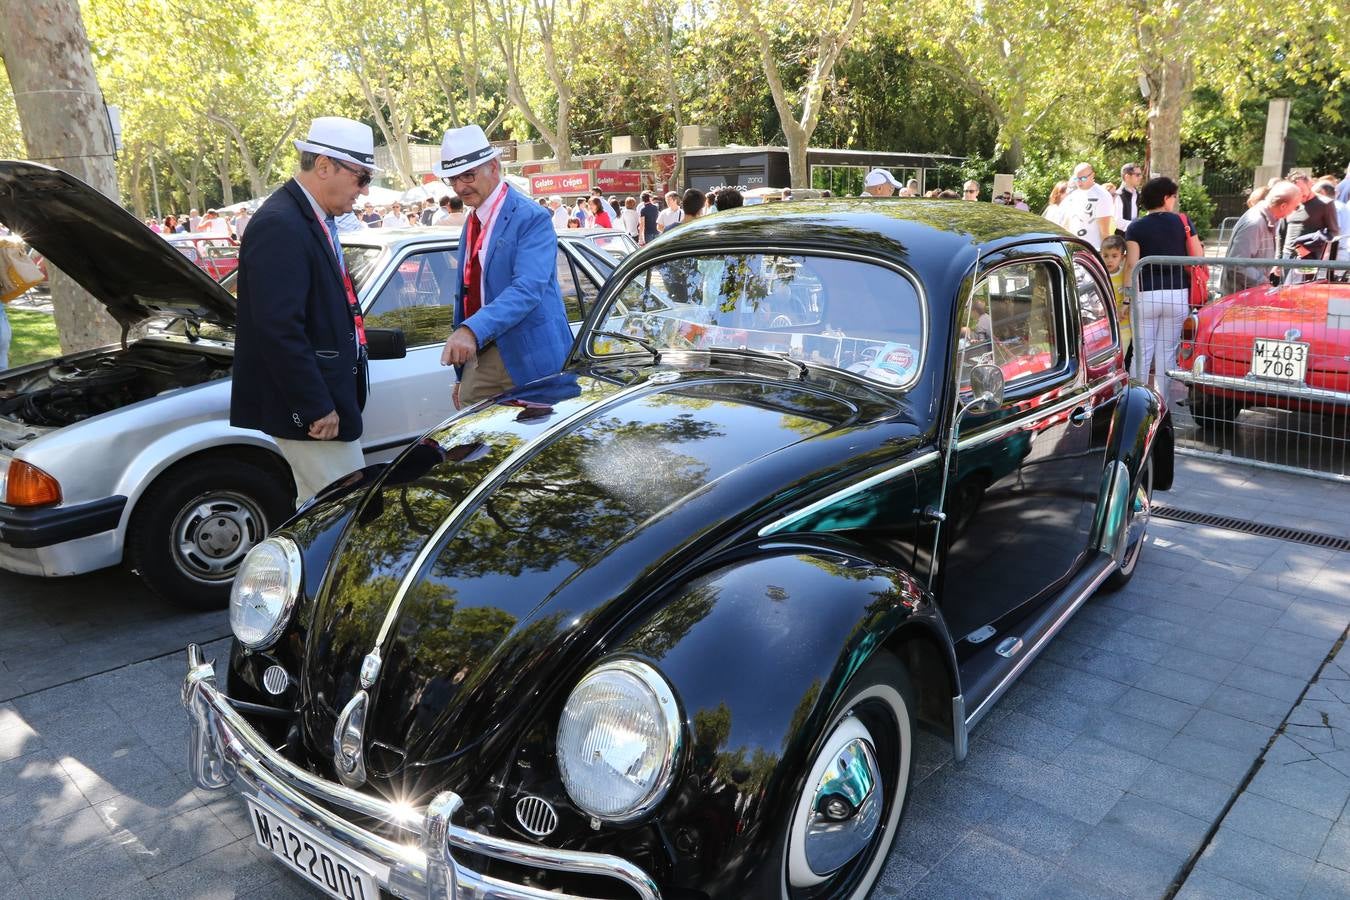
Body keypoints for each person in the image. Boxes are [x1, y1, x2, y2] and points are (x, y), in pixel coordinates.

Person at [229, 116, 378, 504]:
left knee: (318, 513)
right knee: (349, 512)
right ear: (325, 166)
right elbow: (278, 328)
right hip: (315, 410)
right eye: (362, 177)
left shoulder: (306, 217)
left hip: (325, 401)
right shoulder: (281, 223)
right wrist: (315, 406)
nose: (364, 190)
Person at [436, 124, 572, 408]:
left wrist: (471, 330)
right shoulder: (472, 221)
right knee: (470, 434)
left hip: (530, 359)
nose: (459, 187)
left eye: (468, 175)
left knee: (537, 437)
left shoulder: (532, 217)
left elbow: (527, 289)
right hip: (481, 355)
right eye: (453, 179)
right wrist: (462, 374)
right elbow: (468, 292)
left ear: (494, 168)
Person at [1123, 176, 1204, 402]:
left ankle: (1137, 403)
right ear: (1166, 198)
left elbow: (1131, 264)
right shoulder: (1182, 222)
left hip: (1145, 294)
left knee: (1141, 353)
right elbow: (1198, 256)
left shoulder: (1135, 226)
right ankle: (1163, 405)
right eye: (1174, 196)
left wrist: (1126, 299)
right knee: (1167, 353)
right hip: (1177, 292)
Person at [1223, 180, 1301, 293]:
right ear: (1283, 206)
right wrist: (1264, 283)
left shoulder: (1270, 219)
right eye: (1295, 207)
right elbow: (1237, 265)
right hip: (1242, 295)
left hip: (1250, 291)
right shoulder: (1255, 223)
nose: (1294, 212)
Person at [1280, 170, 1340, 260]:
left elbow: (1333, 232)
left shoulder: (1325, 203)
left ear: (1309, 184)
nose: (1299, 194)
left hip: (1309, 257)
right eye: (1295, 191)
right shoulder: (1289, 202)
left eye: (1301, 189)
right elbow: (1281, 233)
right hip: (1287, 256)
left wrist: (1308, 248)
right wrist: (1278, 258)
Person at [1061, 164, 1114, 250]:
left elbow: (1105, 232)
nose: (1079, 182)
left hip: (1093, 249)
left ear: (1092, 175)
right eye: (1076, 179)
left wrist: (1104, 253)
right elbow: (1066, 224)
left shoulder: (1102, 195)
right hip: (1073, 248)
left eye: (1083, 178)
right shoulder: (1073, 195)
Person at [1100, 234, 1130, 351]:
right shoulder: (1100, 275)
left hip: (1124, 324)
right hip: (1106, 326)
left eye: (1114, 256)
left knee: (1124, 353)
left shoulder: (1125, 275)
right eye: (1105, 256)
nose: (1109, 260)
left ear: (1122, 257)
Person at [1114, 163, 1143, 234]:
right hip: (1121, 238)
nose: (1141, 177)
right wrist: (1138, 225)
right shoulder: (1118, 195)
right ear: (1127, 177)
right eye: (1137, 175)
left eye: (1140, 174)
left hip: (1133, 235)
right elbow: (1117, 222)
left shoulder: (1137, 194)